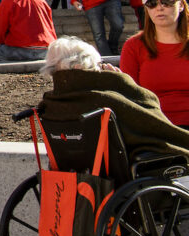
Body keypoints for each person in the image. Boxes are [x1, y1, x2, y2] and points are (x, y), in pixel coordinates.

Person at [38, 37, 189, 162]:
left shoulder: (50, 102)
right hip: (128, 165)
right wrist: (121, 81)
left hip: (78, 168)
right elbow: (151, 112)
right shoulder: (106, 99)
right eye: (96, 65)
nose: (99, 69)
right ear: (78, 67)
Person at [120, 0, 189, 127]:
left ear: (181, 5)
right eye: (152, 3)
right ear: (146, 8)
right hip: (154, 129)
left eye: (166, 2)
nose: (159, 8)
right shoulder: (133, 46)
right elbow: (129, 96)